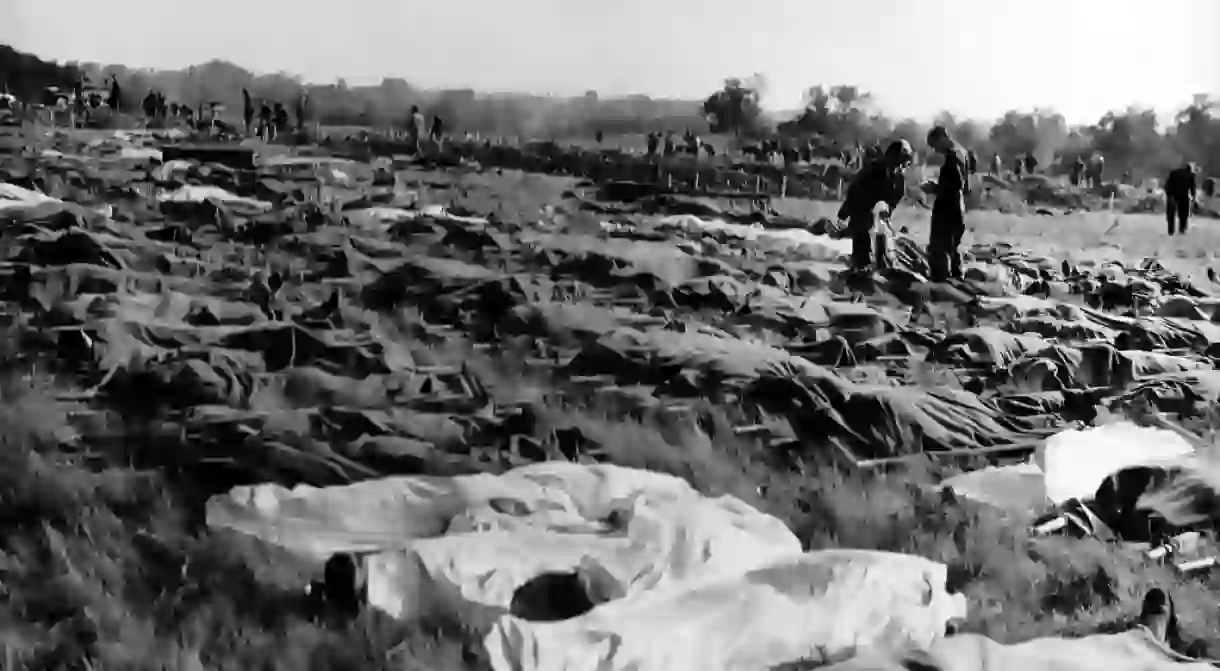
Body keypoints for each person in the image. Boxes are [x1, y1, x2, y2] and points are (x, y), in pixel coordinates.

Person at [836, 139, 913, 273]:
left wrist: (887, 209)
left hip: (879, 215)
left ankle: (880, 266)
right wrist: (844, 213)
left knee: (882, 238)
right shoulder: (872, 170)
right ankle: (860, 269)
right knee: (862, 238)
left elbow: (896, 196)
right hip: (862, 209)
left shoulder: (899, 179)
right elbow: (855, 190)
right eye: (902, 162)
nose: (903, 167)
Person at [924, 126, 971, 281]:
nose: (936, 150)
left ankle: (940, 282)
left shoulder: (952, 156)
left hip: (948, 208)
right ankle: (957, 280)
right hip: (959, 207)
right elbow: (966, 185)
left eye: (935, 145)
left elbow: (956, 184)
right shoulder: (963, 153)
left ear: (943, 137)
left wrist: (934, 188)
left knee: (939, 247)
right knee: (953, 247)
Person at [1164, 161, 1198, 236]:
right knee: (1183, 213)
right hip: (1183, 195)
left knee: (1171, 214)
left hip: (1172, 195)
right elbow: (1192, 188)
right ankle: (1182, 228)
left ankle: (1171, 230)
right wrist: (1193, 197)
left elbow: (1167, 184)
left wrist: (1168, 193)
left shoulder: (1173, 173)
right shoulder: (1191, 175)